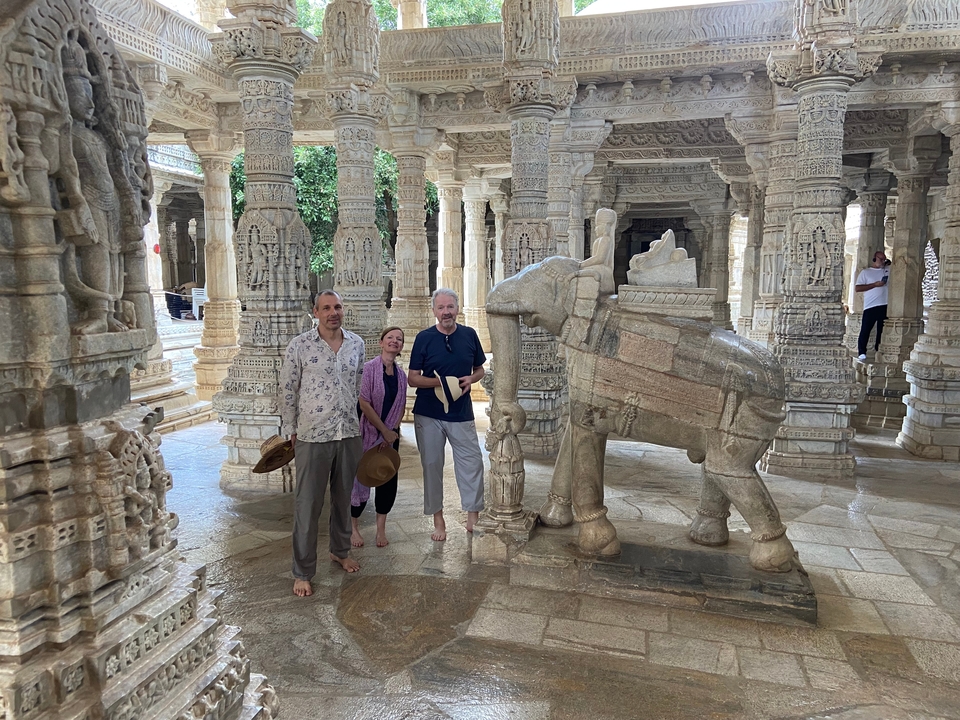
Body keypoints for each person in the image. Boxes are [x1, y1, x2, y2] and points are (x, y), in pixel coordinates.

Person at [280, 290, 365, 597]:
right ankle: (302, 571)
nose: (333, 312)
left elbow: (356, 384)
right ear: (315, 312)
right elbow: (288, 389)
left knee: (344, 498)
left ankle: (340, 550)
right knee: (308, 504)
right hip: (312, 435)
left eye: (338, 307)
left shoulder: (356, 343)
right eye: (326, 308)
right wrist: (290, 428)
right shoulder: (300, 345)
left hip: (347, 433)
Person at [408, 289, 487, 541]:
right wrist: (439, 383)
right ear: (434, 311)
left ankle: (472, 516)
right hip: (429, 413)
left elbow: (480, 369)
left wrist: (470, 380)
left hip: (461, 412)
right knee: (432, 466)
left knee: (472, 463)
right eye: (441, 308)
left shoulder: (469, 335)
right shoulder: (424, 338)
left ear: (457, 308)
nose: (446, 312)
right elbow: (412, 378)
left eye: (450, 307)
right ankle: (438, 520)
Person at [350, 327, 408, 549]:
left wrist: (391, 431)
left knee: (387, 478)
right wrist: (383, 430)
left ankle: (380, 529)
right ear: (381, 342)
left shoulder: (401, 375)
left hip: (390, 436)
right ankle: (353, 527)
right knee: (361, 477)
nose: (394, 341)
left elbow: (401, 406)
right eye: (390, 338)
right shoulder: (369, 369)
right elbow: (364, 402)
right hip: (368, 432)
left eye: (399, 339)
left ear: (401, 346)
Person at [854, 250, 890, 361]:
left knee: (881, 330)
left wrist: (888, 263)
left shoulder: (886, 271)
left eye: (884, 259)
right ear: (874, 259)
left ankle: (878, 349)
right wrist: (874, 285)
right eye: (880, 259)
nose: (882, 261)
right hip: (870, 305)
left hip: (884, 304)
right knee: (866, 329)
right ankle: (861, 351)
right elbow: (858, 288)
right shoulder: (866, 272)